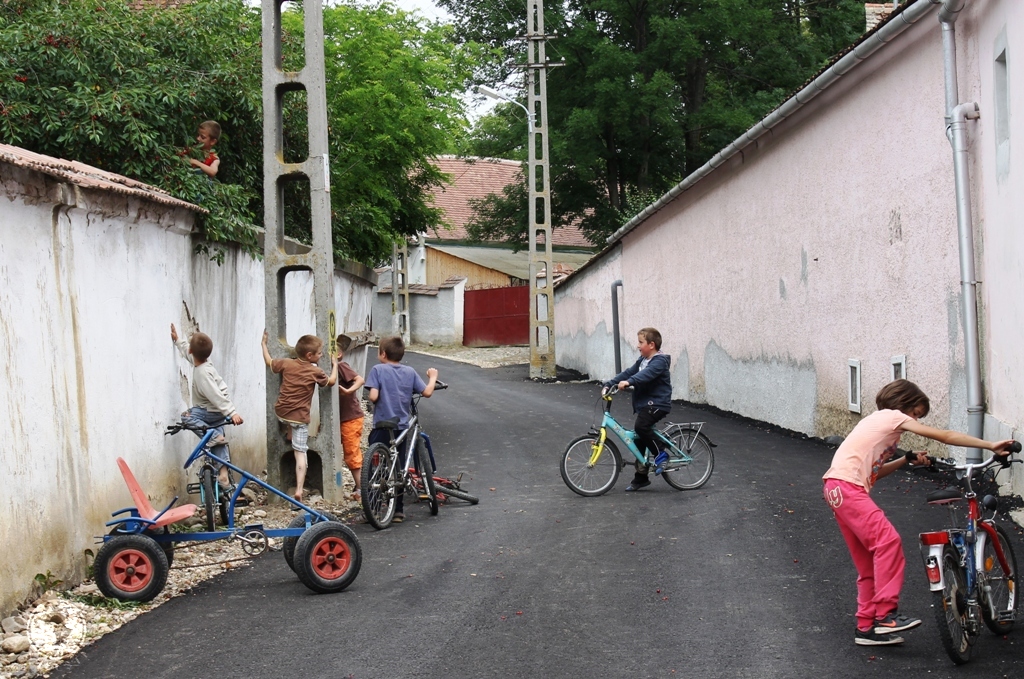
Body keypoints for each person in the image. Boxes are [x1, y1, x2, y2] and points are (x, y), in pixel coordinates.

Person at [822, 379, 1016, 647]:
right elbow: (943, 436)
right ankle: (886, 615)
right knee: (888, 542)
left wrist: (905, 459)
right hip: (848, 488)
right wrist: (990, 445)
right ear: (904, 403)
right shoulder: (893, 416)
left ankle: (866, 627)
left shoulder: (874, 423)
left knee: (868, 563)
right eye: (915, 413)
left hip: (835, 489)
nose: (914, 420)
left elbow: (874, 472)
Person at [365, 336, 438, 523]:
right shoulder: (410, 372)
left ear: (383, 354)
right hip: (401, 427)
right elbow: (427, 392)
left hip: (381, 425)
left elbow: (373, 397)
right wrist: (432, 378)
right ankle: (398, 511)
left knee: (375, 466)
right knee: (399, 467)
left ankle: (373, 508)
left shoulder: (377, 370)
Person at [261, 331, 339, 502]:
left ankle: (290, 434)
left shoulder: (286, 363)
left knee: (290, 418)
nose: (322, 355)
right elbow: (331, 382)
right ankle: (298, 490)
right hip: (300, 418)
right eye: (320, 353)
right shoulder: (315, 371)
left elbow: (269, 361)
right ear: (310, 355)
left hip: (281, 412)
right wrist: (335, 366)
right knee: (300, 452)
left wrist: (263, 344)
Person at [171, 324, 243, 491]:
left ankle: (213, 436)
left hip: (209, 410)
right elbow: (189, 354)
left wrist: (232, 412)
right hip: (217, 413)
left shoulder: (202, 373)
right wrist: (178, 340)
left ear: (191, 351)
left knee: (187, 417)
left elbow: (215, 396)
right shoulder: (203, 363)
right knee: (219, 440)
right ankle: (224, 475)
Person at [603, 327, 672, 492]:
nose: (638, 346)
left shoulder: (659, 361)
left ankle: (661, 453)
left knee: (641, 427)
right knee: (639, 438)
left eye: (641, 342)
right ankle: (641, 477)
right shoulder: (642, 360)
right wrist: (609, 384)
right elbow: (629, 372)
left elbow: (645, 375)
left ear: (651, 344)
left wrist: (629, 382)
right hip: (646, 405)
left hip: (658, 404)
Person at [336, 334, 366, 501]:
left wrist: (348, 391)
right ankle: (359, 484)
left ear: (338, 354)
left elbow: (360, 379)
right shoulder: (326, 370)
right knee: (347, 452)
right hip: (340, 418)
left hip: (350, 417)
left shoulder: (341, 366)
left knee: (351, 452)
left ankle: (362, 489)